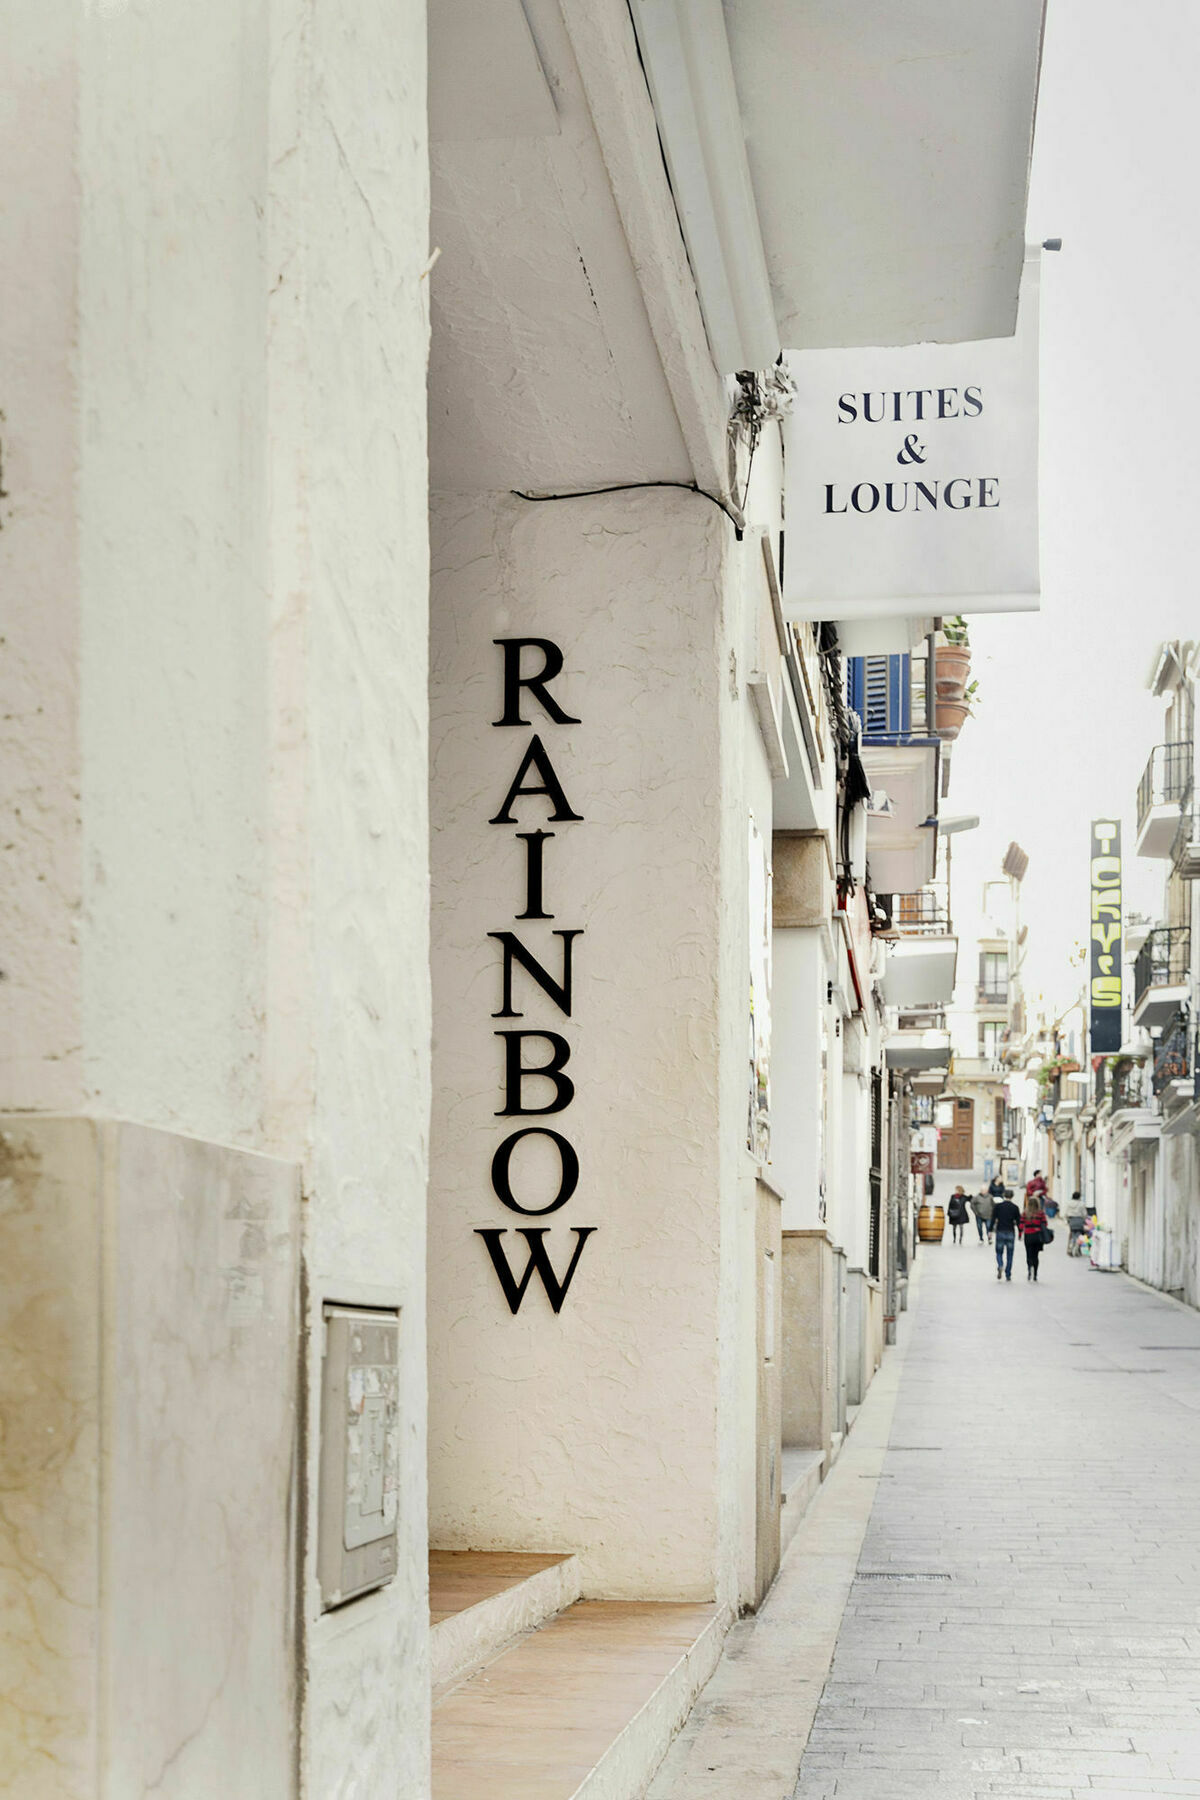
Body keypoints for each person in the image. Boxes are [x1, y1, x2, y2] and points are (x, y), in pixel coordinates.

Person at [992, 1187, 1022, 1281]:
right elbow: (1018, 1222)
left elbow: (993, 1219)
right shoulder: (1015, 1207)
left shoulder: (998, 1206)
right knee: (1010, 1254)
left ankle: (1000, 1264)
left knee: (999, 1252)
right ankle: (1008, 1274)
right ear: (1012, 1196)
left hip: (1000, 1231)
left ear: (1004, 1195)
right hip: (1010, 1232)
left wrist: (989, 1231)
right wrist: (1020, 1232)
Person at [1020, 1191, 1050, 1282]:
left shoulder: (1025, 1213)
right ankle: (1035, 1274)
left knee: (1028, 1254)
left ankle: (1029, 1269)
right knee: (1036, 1255)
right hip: (1037, 1236)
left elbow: (1021, 1225)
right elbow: (1045, 1223)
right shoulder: (1040, 1213)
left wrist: (1020, 1234)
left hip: (1028, 1235)